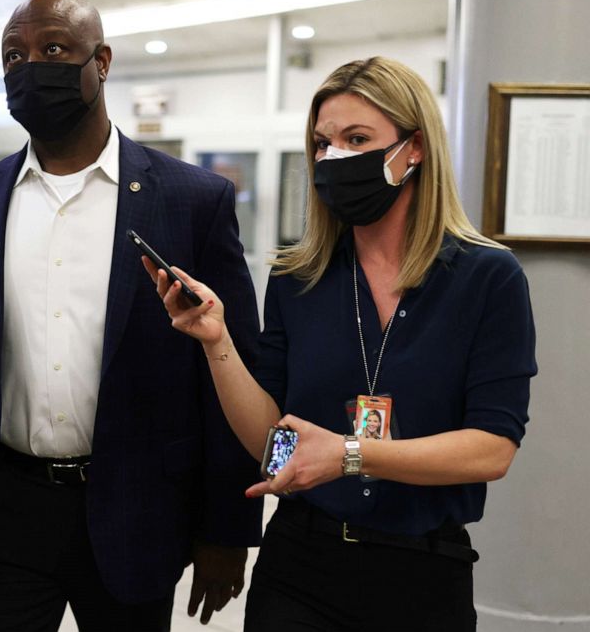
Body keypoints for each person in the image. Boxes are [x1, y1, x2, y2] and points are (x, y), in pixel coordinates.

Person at [0, 0, 263, 632]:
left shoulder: (191, 200)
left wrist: (226, 530)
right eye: (14, 55)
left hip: (136, 508)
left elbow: (227, 372)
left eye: (53, 49)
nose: (30, 65)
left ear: (102, 62)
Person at [145, 57, 536, 632]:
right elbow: (274, 445)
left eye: (357, 139)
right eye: (323, 144)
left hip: (424, 573)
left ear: (415, 148)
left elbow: (492, 449)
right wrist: (216, 341)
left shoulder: (487, 277)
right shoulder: (297, 277)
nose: (334, 159)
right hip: (302, 567)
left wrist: (349, 455)